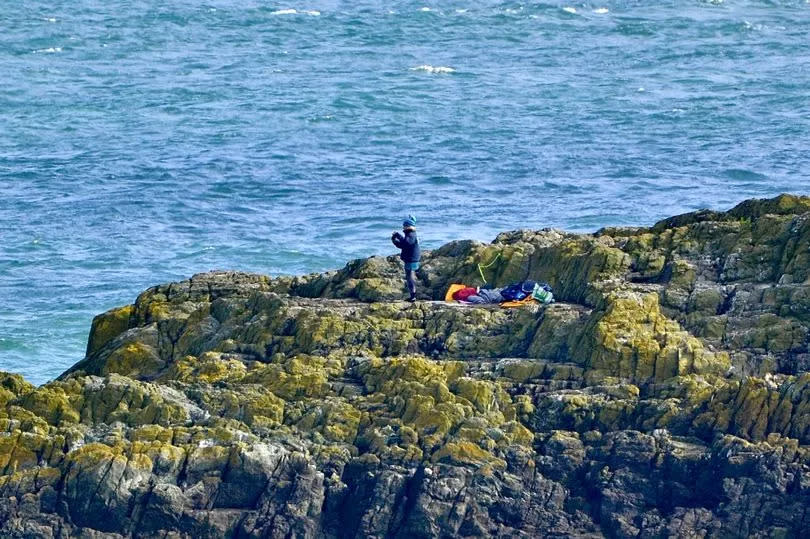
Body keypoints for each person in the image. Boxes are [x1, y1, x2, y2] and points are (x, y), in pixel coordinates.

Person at [391, 215, 421, 302]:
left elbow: (405, 243)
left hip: (412, 258)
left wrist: (398, 237)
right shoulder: (410, 234)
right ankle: (412, 295)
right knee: (409, 276)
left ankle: (413, 296)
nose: (403, 228)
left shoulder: (411, 234)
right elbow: (404, 245)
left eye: (404, 226)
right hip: (412, 257)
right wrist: (395, 241)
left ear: (408, 226)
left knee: (410, 277)